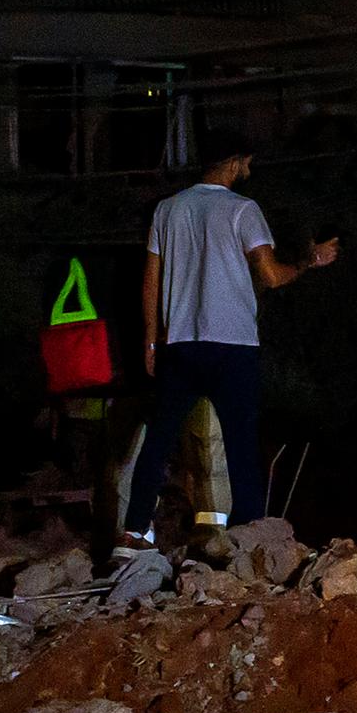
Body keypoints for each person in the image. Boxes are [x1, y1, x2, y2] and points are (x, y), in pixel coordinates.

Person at [121, 136, 336, 544]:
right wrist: (310, 260)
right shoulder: (243, 210)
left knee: (160, 440)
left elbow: (150, 281)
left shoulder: (168, 209)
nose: (250, 169)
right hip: (233, 345)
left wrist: (150, 341)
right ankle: (247, 534)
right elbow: (271, 276)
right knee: (241, 443)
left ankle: (134, 529)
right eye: (248, 161)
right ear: (235, 162)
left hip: (181, 344)